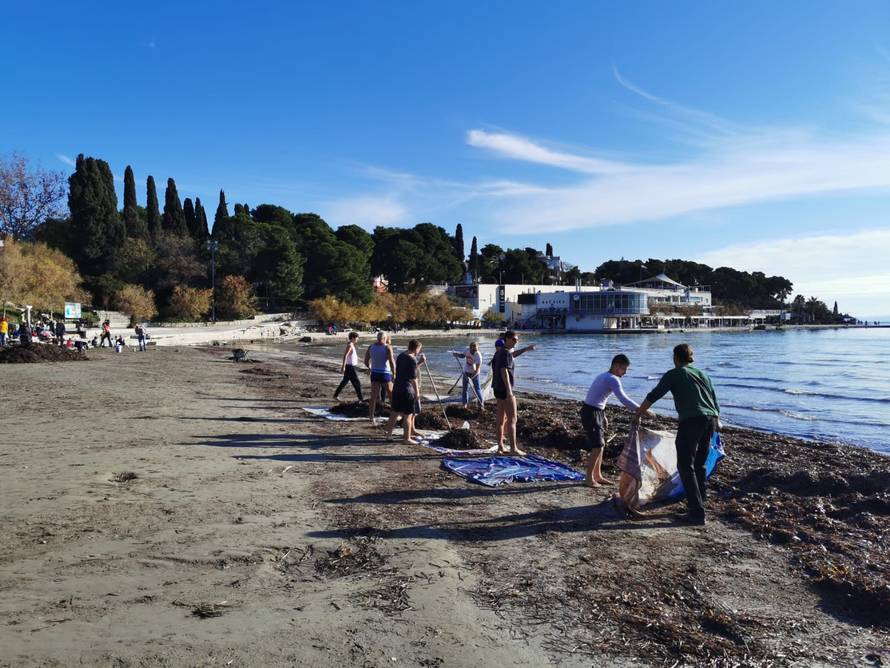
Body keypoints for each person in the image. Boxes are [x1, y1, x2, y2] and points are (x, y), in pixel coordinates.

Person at [635, 343, 720, 526]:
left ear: (675, 357)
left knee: (685, 465)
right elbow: (714, 398)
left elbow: (655, 394)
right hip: (710, 420)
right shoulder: (703, 374)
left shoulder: (675, 374)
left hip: (691, 421)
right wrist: (717, 420)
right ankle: (699, 501)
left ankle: (696, 513)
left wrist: (638, 414)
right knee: (700, 464)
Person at [580, 354, 643, 487]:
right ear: (616, 366)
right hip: (591, 413)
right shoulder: (612, 379)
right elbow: (623, 399)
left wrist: (603, 416)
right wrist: (642, 409)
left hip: (594, 411)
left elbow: (598, 397)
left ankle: (598, 475)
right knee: (597, 447)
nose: (625, 373)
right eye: (623, 369)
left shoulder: (604, 376)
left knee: (601, 446)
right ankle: (588, 478)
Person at [492, 330, 536, 455]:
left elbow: (512, 355)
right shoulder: (505, 353)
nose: (516, 342)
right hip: (505, 390)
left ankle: (500, 447)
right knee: (512, 419)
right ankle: (513, 448)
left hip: (497, 389)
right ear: (507, 339)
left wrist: (526, 349)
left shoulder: (499, 352)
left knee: (500, 419)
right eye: (514, 340)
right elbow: (503, 370)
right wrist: (509, 390)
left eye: (517, 340)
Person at [385, 339, 423, 444]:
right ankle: (406, 438)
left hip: (397, 387)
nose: (419, 351)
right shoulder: (412, 359)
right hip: (407, 389)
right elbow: (413, 378)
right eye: (419, 349)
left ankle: (388, 435)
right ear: (416, 348)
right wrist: (417, 393)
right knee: (408, 414)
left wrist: (419, 362)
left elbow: (406, 370)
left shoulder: (401, 356)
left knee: (394, 412)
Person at [364, 331, 395, 424]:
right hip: (385, 373)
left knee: (373, 396)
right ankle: (394, 415)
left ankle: (371, 416)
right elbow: (392, 362)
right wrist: (394, 374)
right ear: (385, 338)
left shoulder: (371, 347)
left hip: (375, 373)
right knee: (391, 395)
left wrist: (370, 367)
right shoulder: (387, 347)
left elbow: (365, 361)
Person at [453, 341, 484, 411]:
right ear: (470, 348)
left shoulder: (478, 355)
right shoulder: (467, 350)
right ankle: (464, 404)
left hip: (475, 373)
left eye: (476, 350)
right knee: (465, 389)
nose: (474, 351)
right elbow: (463, 355)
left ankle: (481, 404)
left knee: (477, 389)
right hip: (466, 371)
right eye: (473, 350)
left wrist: (472, 377)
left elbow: (477, 370)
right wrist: (456, 354)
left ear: (478, 349)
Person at [334, 332, 364, 402]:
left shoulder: (351, 345)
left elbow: (354, 356)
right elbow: (345, 356)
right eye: (357, 338)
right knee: (357, 383)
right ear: (353, 338)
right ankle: (361, 399)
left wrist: (362, 360)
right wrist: (343, 366)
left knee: (344, 382)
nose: (358, 339)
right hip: (350, 367)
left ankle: (335, 395)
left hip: (350, 367)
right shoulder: (350, 345)